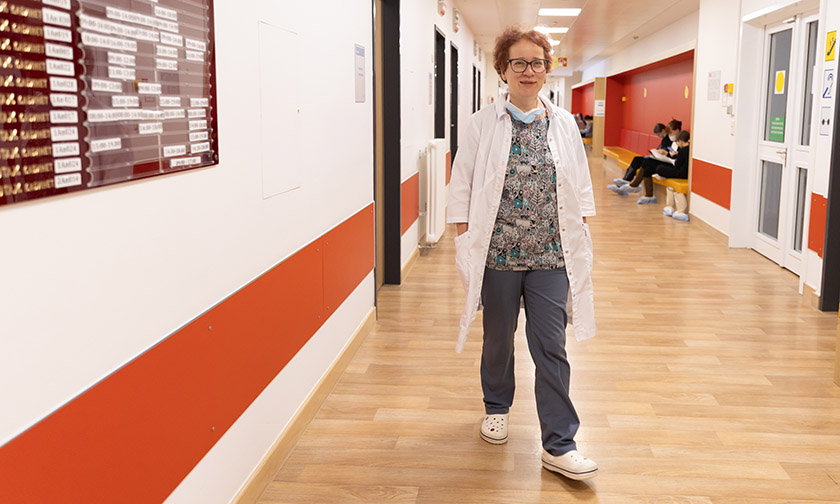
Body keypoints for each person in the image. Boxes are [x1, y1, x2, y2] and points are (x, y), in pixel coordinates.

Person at [447, 25, 598, 481]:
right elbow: (462, 186)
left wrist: (581, 233)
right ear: (502, 69)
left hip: (551, 254)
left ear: (547, 69)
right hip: (497, 255)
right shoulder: (481, 124)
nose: (528, 71)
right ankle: (496, 406)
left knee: (551, 345)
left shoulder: (564, 123)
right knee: (498, 339)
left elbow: (580, 185)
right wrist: (465, 240)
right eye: (519, 62)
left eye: (537, 62)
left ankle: (560, 443)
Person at [608, 130, 690, 204]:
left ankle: (634, 185)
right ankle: (648, 195)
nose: (678, 144)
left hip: (677, 169)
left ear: (681, 141)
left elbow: (677, 164)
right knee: (648, 168)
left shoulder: (684, 150)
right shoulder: (683, 148)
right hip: (673, 164)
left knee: (652, 165)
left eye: (678, 142)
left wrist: (670, 155)